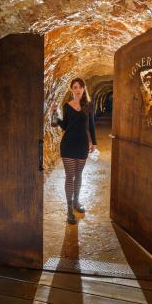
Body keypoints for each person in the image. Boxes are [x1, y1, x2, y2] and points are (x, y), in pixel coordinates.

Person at [52, 77, 97, 224]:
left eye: (80, 87)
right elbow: (65, 125)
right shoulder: (67, 106)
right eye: (75, 87)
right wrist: (56, 116)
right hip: (68, 145)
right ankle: (69, 210)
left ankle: (77, 202)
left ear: (84, 89)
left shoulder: (89, 106)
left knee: (78, 175)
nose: (77, 90)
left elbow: (91, 126)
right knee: (69, 176)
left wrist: (94, 143)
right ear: (71, 89)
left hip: (82, 145)